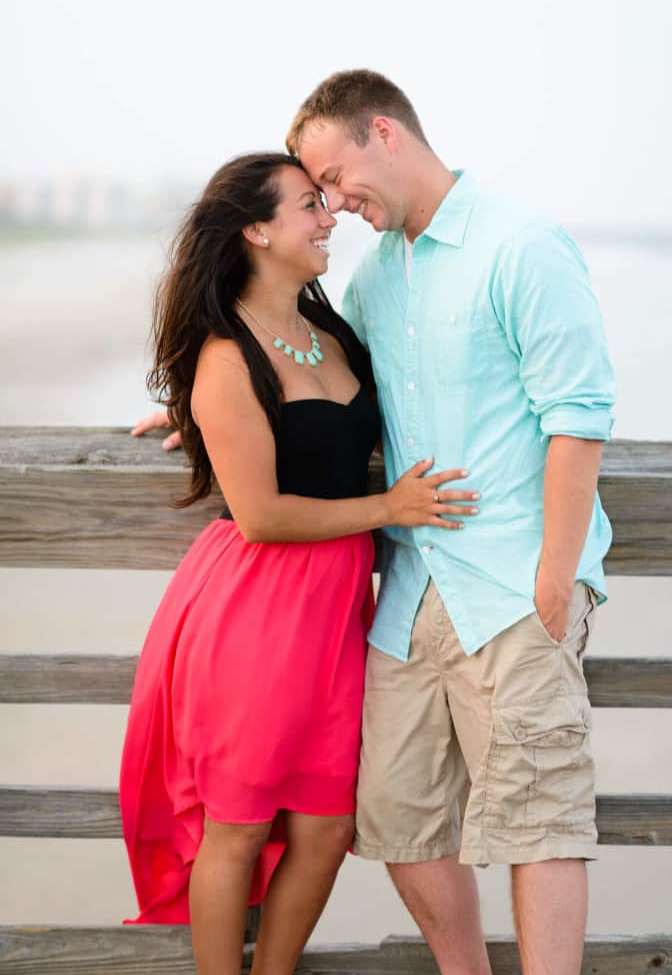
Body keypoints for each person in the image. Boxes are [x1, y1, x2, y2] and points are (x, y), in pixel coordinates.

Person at [135, 69, 617, 975]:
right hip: (402, 597)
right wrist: (201, 411)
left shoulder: (522, 245)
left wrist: (557, 576)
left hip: (513, 586)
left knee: (539, 818)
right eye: (314, 195)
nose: (334, 204)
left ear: (383, 134)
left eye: (333, 178)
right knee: (396, 817)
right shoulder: (377, 285)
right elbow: (301, 388)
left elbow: (579, 415)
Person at [119, 153, 477, 973]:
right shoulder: (223, 357)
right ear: (256, 229)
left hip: (337, 614)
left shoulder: (332, 329)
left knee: (327, 826)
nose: (329, 218)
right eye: (310, 205)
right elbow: (262, 514)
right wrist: (390, 509)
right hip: (256, 612)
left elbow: (364, 425)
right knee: (238, 825)